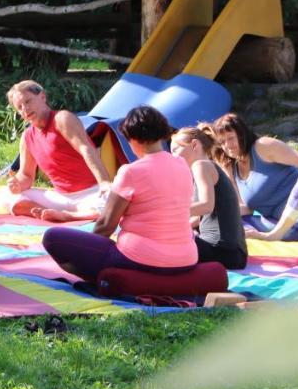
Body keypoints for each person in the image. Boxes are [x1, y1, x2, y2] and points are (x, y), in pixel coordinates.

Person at [43, 106, 197, 281]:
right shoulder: (182, 164)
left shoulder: (131, 171)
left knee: (53, 238)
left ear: (134, 139)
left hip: (139, 258)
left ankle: (106, 279)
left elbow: (106, 225)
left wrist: (90, 250)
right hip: (186, 258)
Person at [0, 80, 112, 222]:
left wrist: (104, 182)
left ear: (42, 97)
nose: (25, 108)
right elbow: (26, 175)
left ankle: (67, 216)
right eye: (20, 107)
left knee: (113, 202)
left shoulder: (62, 118)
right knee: (3, 195)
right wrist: (17, 184)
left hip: (91, 193)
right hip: (60, 197)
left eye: (28, 101)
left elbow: (85, 148)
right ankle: (47, 213)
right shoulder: (27, 136)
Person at [212, 112, 298, 241]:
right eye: (222, 142)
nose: (227, 145)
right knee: (233, 221)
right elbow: (246, 209)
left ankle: (274, 235)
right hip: (292, 229)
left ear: (242, 134)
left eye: (231, 138)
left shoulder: (263, 147)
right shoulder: (231, 169)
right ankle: (275, 233)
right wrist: (212, 212)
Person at [171, 125, 248, 269]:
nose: (173, 156)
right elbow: (200, 217)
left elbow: (206, 205)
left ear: (194, 145)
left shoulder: (200, 166)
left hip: (220, 250)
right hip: (236, 254)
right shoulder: (207, 167)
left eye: (175, 150)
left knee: (159, 245)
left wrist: (169, 212)